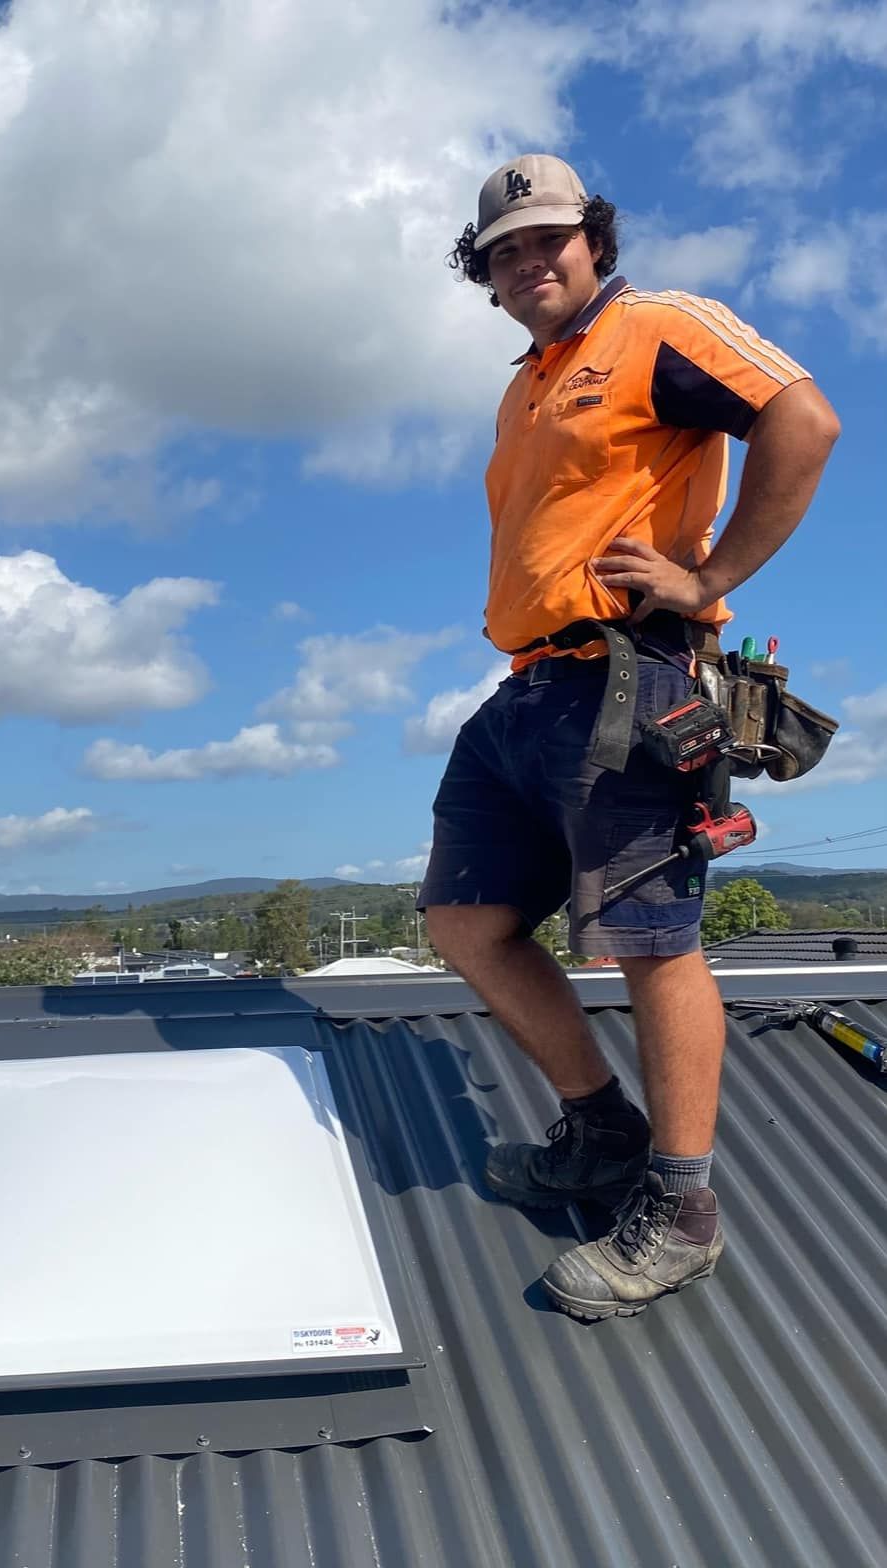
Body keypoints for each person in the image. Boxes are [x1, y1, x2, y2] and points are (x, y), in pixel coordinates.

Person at [420, 153, 840, 1320]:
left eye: (548, 237)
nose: (528, 260)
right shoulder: (528, 381)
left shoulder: (657, 327)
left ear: (593, 240)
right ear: (487, 275)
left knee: (651, 940)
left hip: (629, 677)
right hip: (529, 687)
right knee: (463, 918)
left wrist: (707, 577)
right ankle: (602, 1130)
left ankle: (683, 1208)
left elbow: (803, 418)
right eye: (503, 249)